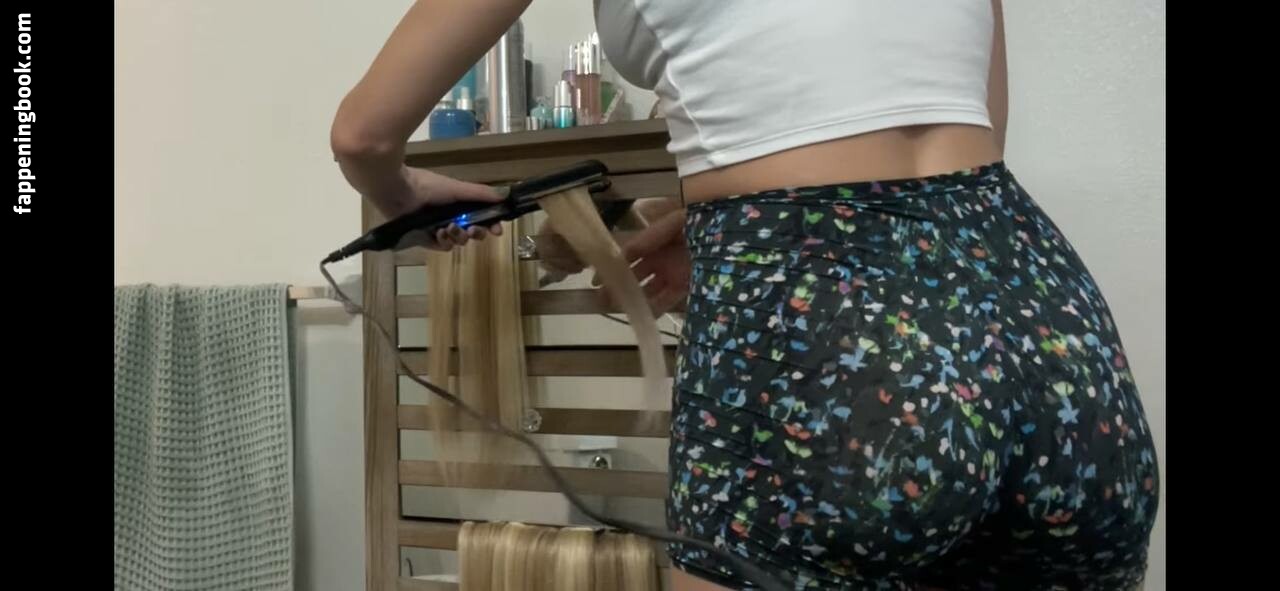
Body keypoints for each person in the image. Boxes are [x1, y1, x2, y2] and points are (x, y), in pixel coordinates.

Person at [331, 1, 1159, 589]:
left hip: (816, 295)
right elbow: (973, 119)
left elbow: (364, 133)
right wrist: (716, 222)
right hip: (1038, 305)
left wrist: (402, 194)